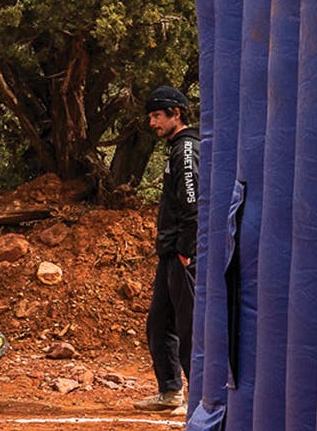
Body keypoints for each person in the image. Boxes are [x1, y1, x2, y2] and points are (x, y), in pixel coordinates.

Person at [135, 86, 199, 413]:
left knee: (188, 327)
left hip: (182, 255)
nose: (152, 123)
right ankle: (171, 391)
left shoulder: (186, 149)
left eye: (157, 116)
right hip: (170, 253)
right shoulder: (175, 148)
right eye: (150, 116)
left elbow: (192, 204)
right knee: (159, 323)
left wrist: (186, 251)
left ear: (176, 113)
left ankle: (199, 398)